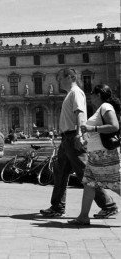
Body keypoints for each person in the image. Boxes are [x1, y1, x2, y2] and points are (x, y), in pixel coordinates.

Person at [40, 68, 117, 218]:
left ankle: (109, 205)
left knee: (85, 173)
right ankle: (57, 207)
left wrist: (80, 135)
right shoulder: (70, 94)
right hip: (66, 139)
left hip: (72, 137)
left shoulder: (76, 92)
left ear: (69, 77)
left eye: (60, 77)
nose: (58, 80)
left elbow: (80, 113)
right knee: (60, 172)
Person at [70, 84, 121, 225]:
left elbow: (115, 126)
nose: (90, 96)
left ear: (98, 95)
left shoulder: (105, 107)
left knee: (115, 185)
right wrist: (87, 141)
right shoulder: (100, 109)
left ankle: (83, 216)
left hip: (104, 155)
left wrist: (92, 128)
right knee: (89, 185)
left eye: (92, 93)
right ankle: (83, 216)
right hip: (95, 154)